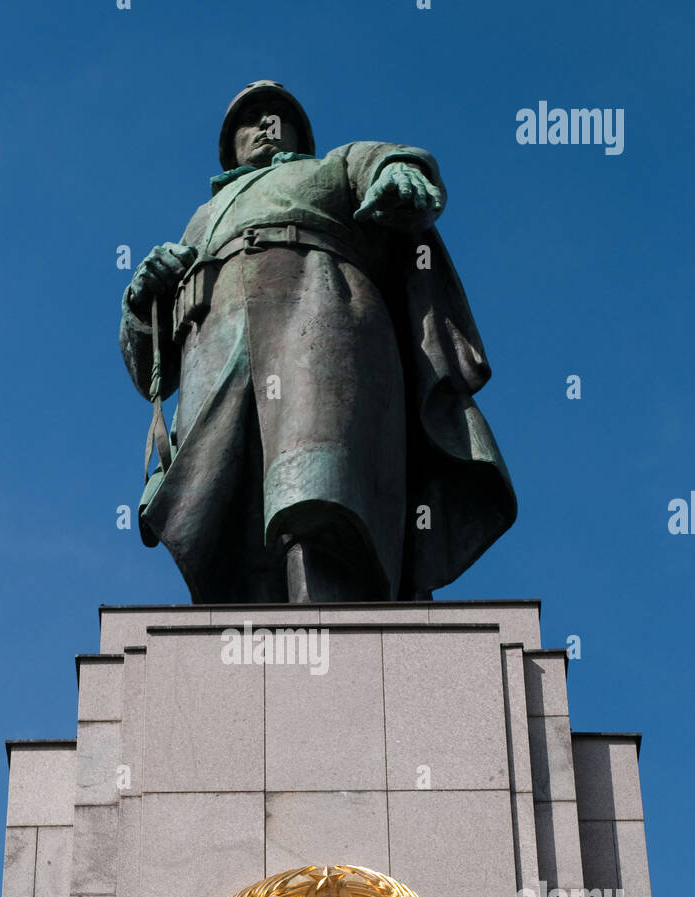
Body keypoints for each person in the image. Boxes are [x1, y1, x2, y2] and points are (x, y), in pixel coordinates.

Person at [120, 80, 516, 603]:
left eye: (276, 115)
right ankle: (252, 629)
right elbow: (151, 368)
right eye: (250, 118)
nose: (264, 124)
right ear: (229, 144)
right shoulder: (200, 220)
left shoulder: (330, 166)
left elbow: (387, 161)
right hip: (217, 350)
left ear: (300, 134)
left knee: (315, 484)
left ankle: (326, 612)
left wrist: (401, 173)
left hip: (319, 316)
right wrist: (142, 299)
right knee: (230, 499)